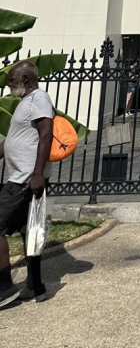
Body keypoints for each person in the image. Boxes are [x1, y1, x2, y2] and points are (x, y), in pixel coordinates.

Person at [0, 60, 54, 308]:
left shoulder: (38, 98)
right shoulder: (26, 102)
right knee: (28, 229)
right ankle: (36, 285)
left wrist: (38, 174)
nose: (9, 85)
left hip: (24, 178)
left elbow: (46, 134)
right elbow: (16, 139)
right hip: (22, 176)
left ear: (25, 80)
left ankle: (4, 288)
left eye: (12, 81)